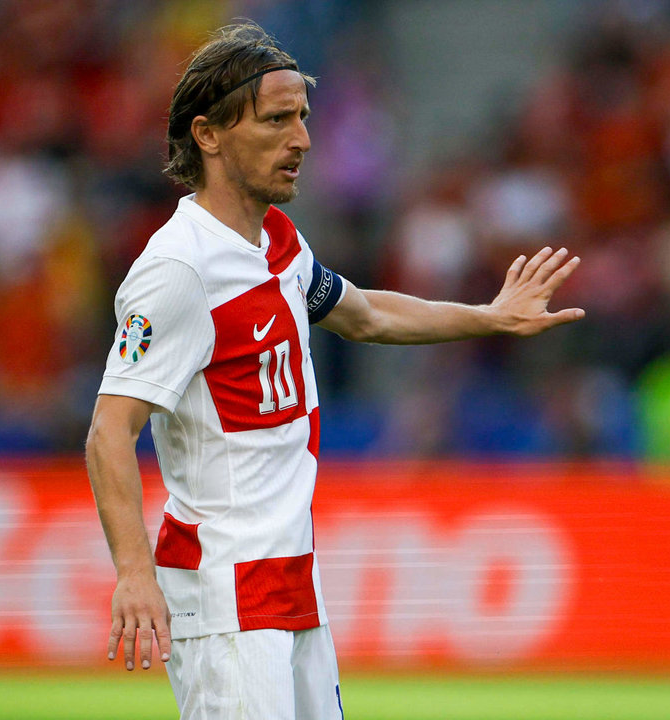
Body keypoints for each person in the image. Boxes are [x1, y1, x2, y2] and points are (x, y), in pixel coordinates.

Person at [85, 21, 584, 720]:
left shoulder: (277, 242)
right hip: (226, 592)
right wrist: (135, 574)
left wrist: (489, 316)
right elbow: (110, 430)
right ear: (208, 134)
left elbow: (365, 315)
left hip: (291, 583)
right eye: (278, 120)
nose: (303, 140)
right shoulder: (177, 270)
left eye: (304, 118)